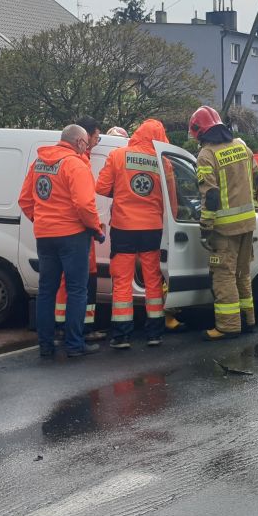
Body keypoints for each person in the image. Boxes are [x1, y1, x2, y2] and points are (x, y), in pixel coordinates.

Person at [19, 125, 104, 359]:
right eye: (86, 144)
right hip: (73, 236)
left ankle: (46, 345)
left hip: (45, 236)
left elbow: (25, 200)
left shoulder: (38, 163)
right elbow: (85, 205)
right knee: (77, 291)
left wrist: (42, 220)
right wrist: (95, 229)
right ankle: (74, 345)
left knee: (46, 291)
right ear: (79, 143)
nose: (86, 148)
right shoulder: (75, 164)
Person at [96, 119, 172, 349]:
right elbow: (172, 198)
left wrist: (121, 192)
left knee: (122, 281)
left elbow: (101, 187)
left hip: (123, 227)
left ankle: (121, 335)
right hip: (152, 228)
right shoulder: (163, 161)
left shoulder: (118, 155)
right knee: (152, 281)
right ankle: (155, 333)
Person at [192, 106, 257, 340]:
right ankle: (248, 319)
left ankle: (228, 326)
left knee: (223, 275)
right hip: (248, 223)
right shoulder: (242, 147)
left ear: (200, 133)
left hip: (225, 228)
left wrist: (205, 227)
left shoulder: (207, 155)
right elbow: (255, 174)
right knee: (242, 273)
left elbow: (210, 196)